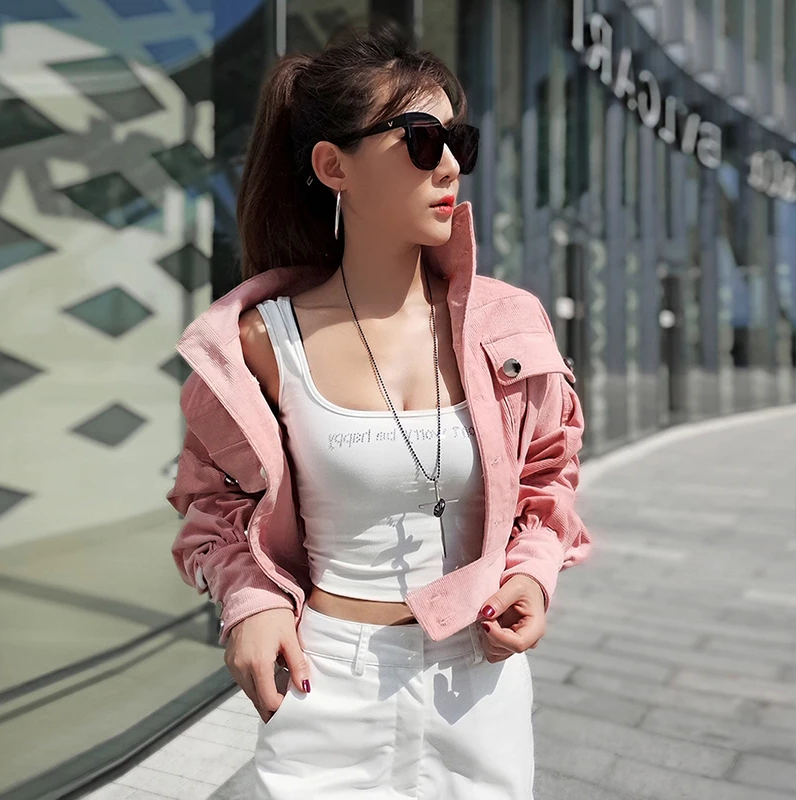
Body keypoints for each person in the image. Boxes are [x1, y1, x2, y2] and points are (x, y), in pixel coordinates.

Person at [166, 23, 592, 800]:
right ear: (334, 166)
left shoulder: (508, 326)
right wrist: (251, 604)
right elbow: (212, 507)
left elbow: (547, 476)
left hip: (479, 686)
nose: (451, 163)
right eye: (423, 140)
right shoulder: (261, 343)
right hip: (326, 680)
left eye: (458, 139)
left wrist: (530, 576)